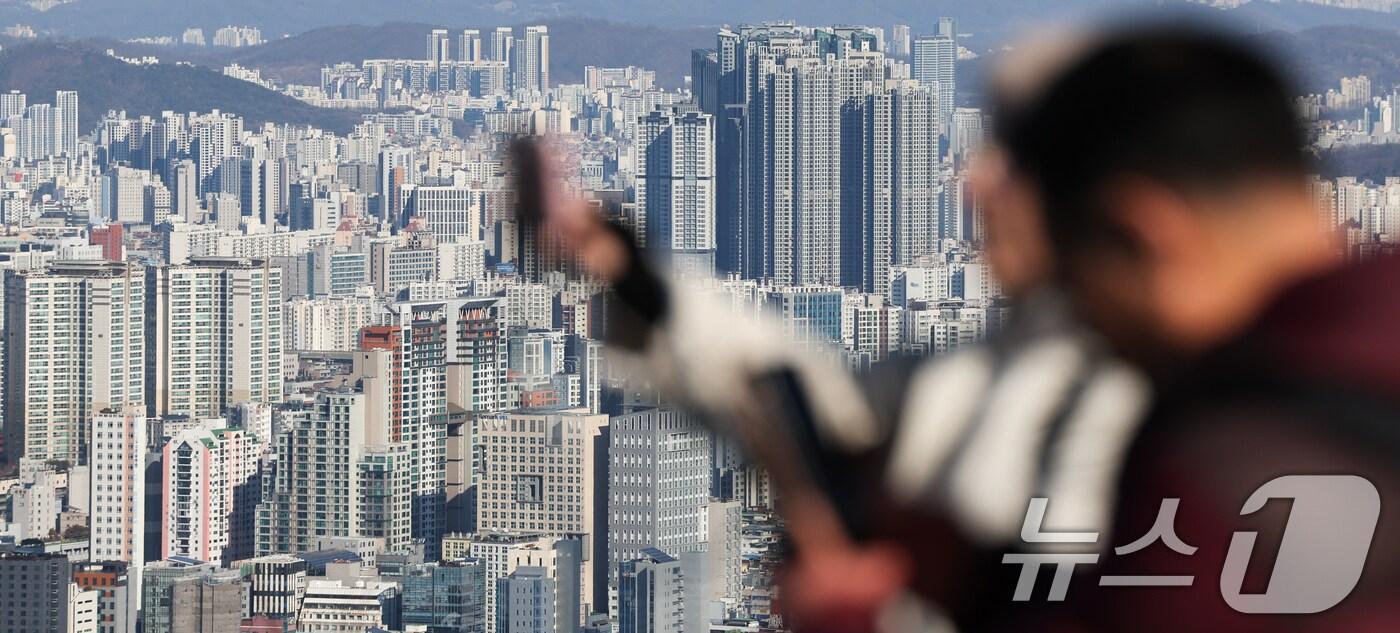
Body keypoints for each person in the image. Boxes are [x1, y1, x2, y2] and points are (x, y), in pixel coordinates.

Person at [536, 23, 1400, 631]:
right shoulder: (1218, 376)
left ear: (1145, 229)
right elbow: (821, 400)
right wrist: (631, 275)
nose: (976, 187)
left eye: (1018, 161)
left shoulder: (1234, 460)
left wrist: (857, 616)